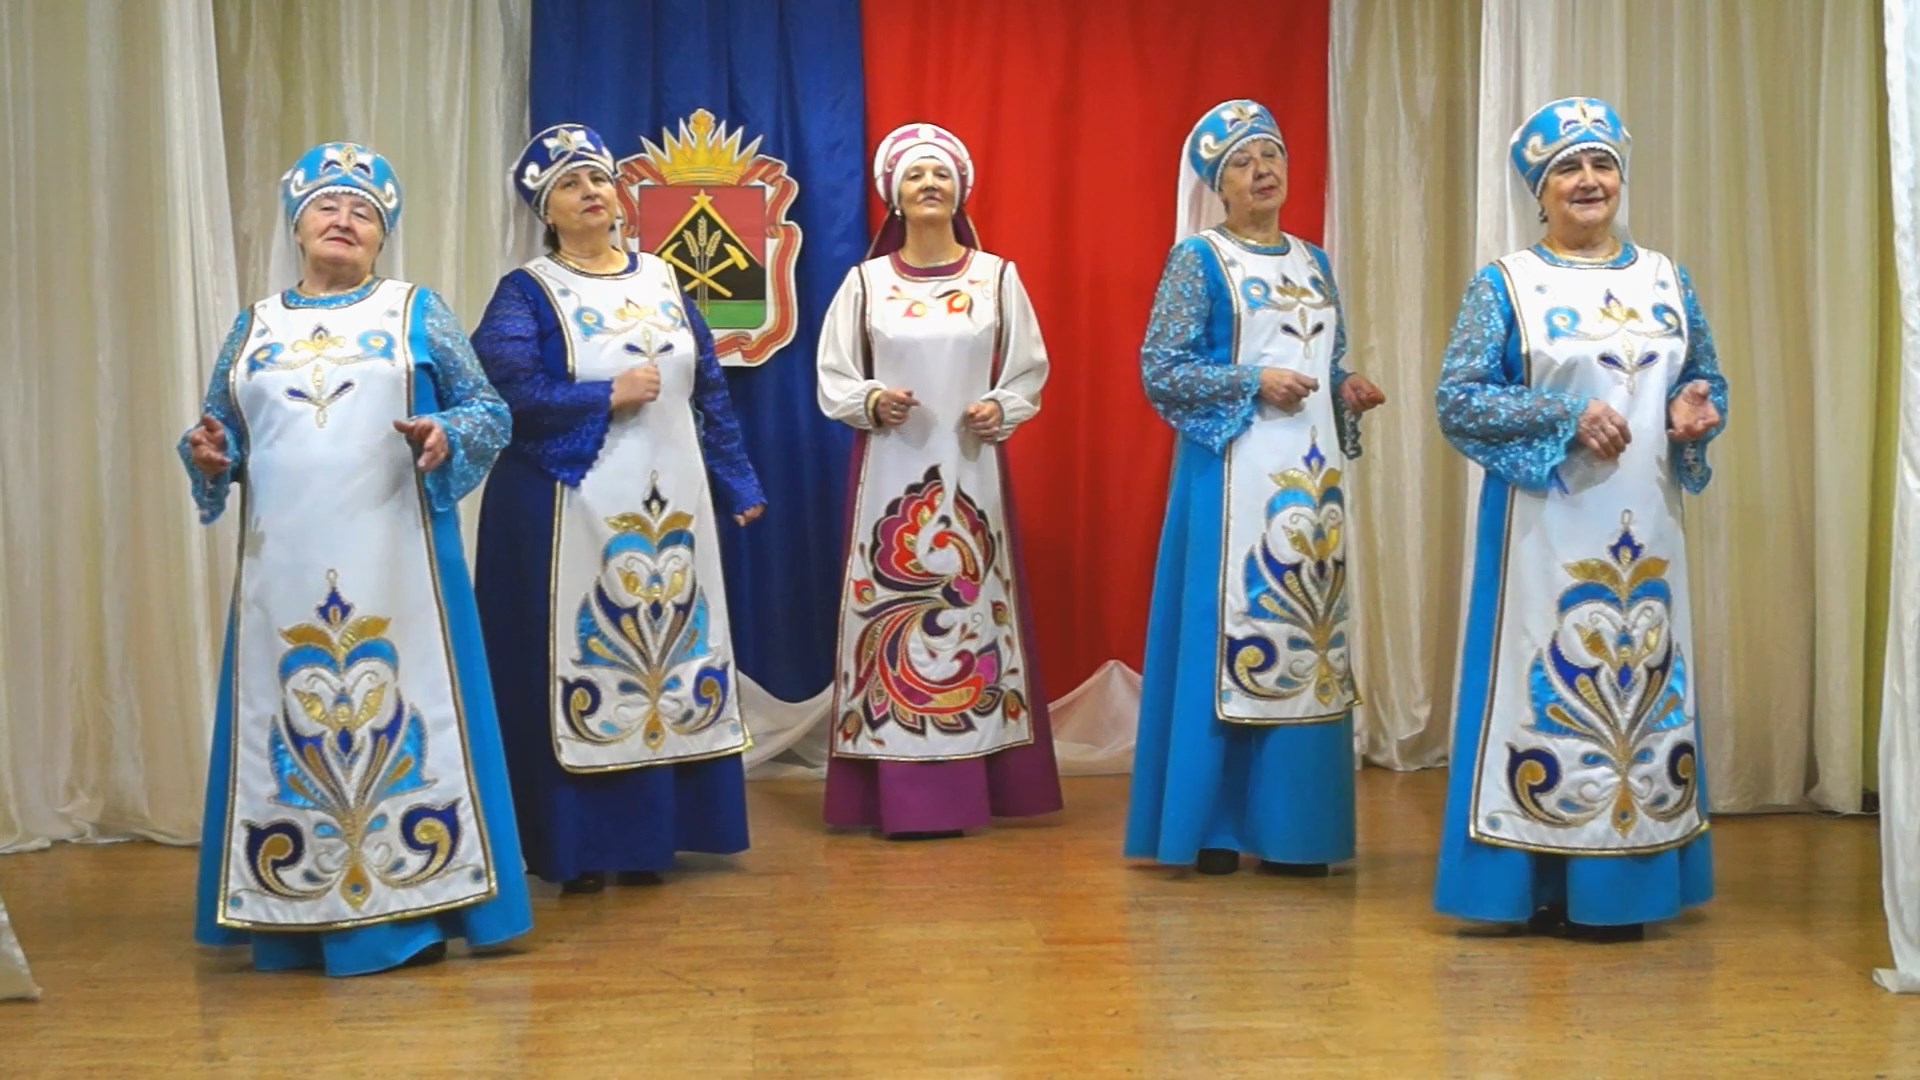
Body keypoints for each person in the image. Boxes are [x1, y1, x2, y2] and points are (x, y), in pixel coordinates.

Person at [179, 141, 532, 974]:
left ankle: (412, 912)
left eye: (364, 212)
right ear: (298, 227)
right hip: (281, 568)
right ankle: (294, 914)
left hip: (399, 560)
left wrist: (447, 432)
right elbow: (221, 429)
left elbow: (488, 408)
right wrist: (207, 453)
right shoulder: (253, 326)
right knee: (287, 716)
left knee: (410, 709)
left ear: (382, 235)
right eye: (328, 208)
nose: (345, 220)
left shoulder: (417, 311)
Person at [1431, 97, 1728, 941]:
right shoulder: (1505, 284)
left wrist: (1698, 408)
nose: (1588, 180)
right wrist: (1562, 417)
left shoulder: (1667, 278)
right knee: (1546, 684)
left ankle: (1622, 890)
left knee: (1640, 683)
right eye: (1568, 167)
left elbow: (1703, 377)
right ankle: (1532, 883)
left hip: (1648, 525)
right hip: (1545, 529)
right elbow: (1459, 400)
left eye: (1601, 164)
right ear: (1541, 190)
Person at [472, 124, 765, 893]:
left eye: (598, 179)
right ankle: (582, 846)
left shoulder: (664, 278)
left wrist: (737, 482)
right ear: (547, 210)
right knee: (594, 654)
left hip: (672, 500)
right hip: (567, 503)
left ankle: (657, 837)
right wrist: (606, 394)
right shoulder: (527, 292)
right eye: (569, 185)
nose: (590, 193)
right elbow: (504, 390)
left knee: (668, 655)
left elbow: (708, 388)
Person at [1124, 99, 1386, 877]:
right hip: (1231, 478)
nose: (1261, 170)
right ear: (1219, 185)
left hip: (1312, 484)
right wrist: (1251, 380)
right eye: (1241, 162)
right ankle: (1216, 826)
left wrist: (1346, 386)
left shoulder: (1314, 260)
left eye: (1270, 154)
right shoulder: (1199, 260)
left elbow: (1323, 361)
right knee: (1233, 637)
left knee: (1308, 641)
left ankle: (1297, 832)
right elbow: (1162, 368)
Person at [814, 122, 1062, 839]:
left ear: (961, 191)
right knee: (888, 610)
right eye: (916, 175)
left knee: (974, 608)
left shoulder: (997, 278)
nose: (930, 185)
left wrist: (1001, 406)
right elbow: (834, 374)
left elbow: (1029, 368)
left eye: (942, 174)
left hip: (972, 472)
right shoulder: (866, 284)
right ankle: (894, 792)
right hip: (888, 475)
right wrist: (871, 401)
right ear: (894, 196)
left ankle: (980, 778)